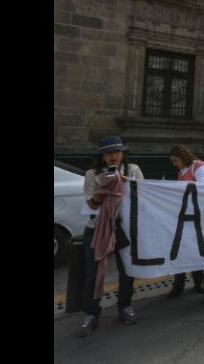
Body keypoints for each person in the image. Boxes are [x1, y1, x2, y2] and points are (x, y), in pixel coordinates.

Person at [78, 136, 144, 337]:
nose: (113, 156)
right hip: (97, 229)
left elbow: (142, 195)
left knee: (127, 270)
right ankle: (91, 313)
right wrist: (105, 187)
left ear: (123, 153)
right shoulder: (92, 174)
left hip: (123, 228)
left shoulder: (133, 170)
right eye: (108, 153)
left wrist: (125, 183)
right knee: (93, 274)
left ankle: (125, 306)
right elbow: (91, 203)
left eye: (117, 151)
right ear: (102, 157)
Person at [167, 145, 204, 304]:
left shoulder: (198, 166)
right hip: (189, 217)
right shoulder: (181, 171)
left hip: (203, 218)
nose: (174, 164)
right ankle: (194, 283)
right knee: (188, 250)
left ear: (183, 157)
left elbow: (203, 188)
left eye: (175, 160)